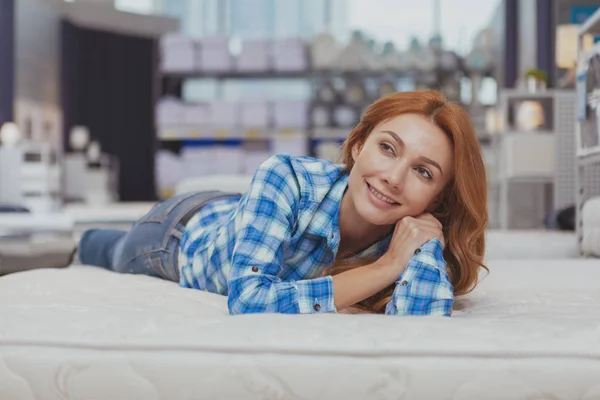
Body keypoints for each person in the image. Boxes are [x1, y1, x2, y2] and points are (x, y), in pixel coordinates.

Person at [78, 90, 488, 316]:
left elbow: (423, 318)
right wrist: (387, 267)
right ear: (359, 144)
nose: (394, 178)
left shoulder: (414, 229)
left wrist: (428, 242)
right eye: (387, 148)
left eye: (424, 172)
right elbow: (250, 300)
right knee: (108, 249)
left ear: (438, 199)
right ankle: (79, 244)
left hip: (249, 217)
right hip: (181, 232)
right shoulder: (287, 175)